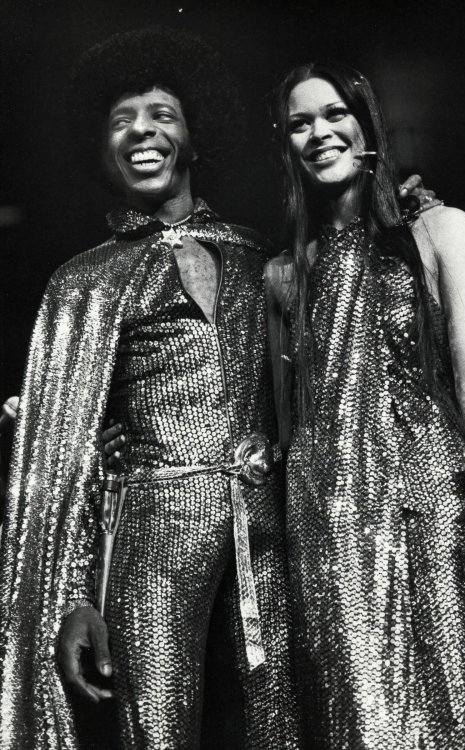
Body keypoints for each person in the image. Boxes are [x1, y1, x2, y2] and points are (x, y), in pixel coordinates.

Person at [0, 28, 301, 749]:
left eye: (162, 114)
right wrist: (74, 594)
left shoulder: (260, 254)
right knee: (156, 734)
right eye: (121, 120)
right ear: (103, 150)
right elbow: (61, 459)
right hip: (151, 539)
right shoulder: (83, 281)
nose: (142, 130)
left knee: (278, 731)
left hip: (264, 531)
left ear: (194, 136)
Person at [264, 62, 465, 749]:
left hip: (433, 502)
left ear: (365, 123)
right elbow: (286, 422)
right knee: (362, 719)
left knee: (459, 702)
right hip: (330, 521)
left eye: (335, 113)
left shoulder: (441, 230)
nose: (321, 132)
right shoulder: (284, 274)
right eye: (301, 122)